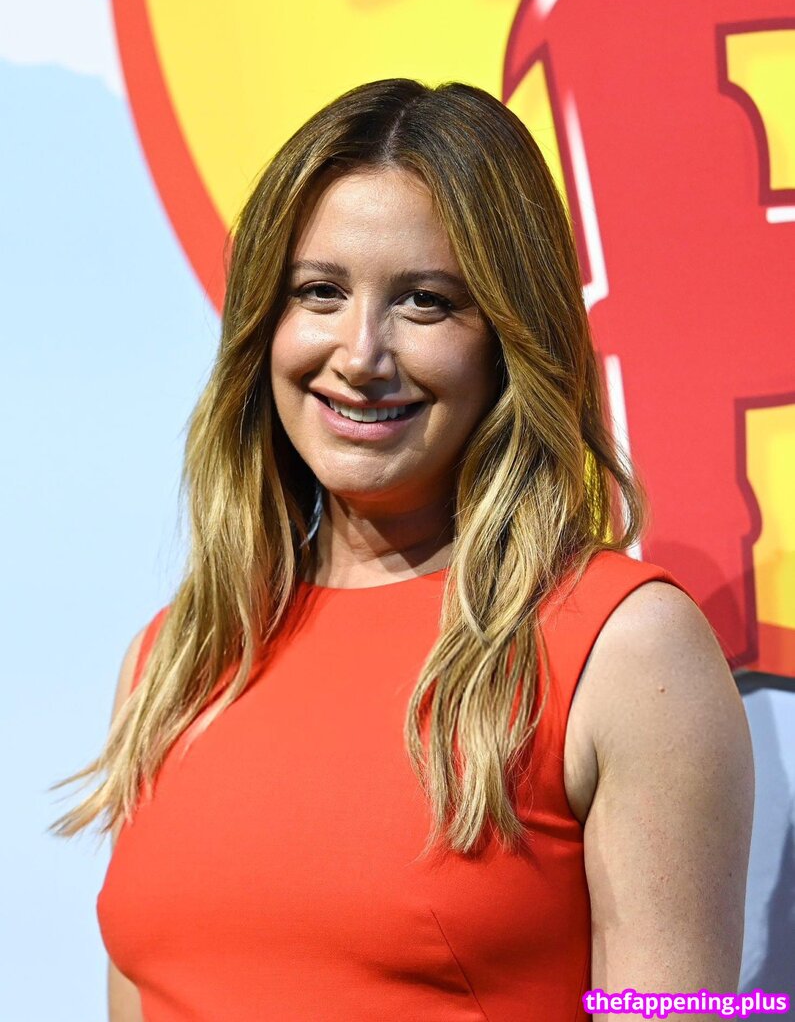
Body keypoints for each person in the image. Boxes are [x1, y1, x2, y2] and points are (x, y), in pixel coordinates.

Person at [50, 78, 754, 1021]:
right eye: (319, 292)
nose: (360, 354)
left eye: (425, 302)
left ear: (508, 340)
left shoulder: (623, 649)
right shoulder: (176, 656)